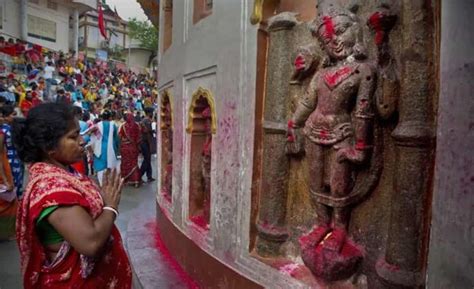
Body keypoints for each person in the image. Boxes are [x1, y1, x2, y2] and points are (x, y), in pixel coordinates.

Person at [13, 103, 131, 289]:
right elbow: (90, 243)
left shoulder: (66, 173)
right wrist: (110, 207)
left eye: (79, 134)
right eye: (73, 137)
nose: (82, 141)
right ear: (48, 147)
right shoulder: (52, 190)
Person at [89, 110, 120, 185]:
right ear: (110, 117)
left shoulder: (97, 125)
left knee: (101, 168)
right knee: (110, 166)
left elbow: (90, 134)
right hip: (111, 148)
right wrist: (117, 148)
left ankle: (101, 184)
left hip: (100, 149)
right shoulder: (113, 125)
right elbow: (116, 138)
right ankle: (109, 183)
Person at [0, 106, 17, 240]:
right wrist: (5, 180)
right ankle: (6, 233)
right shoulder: (3, 132)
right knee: (8, 200)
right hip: (5, 168)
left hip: (8, 163)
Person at [1, 105, 24, 198]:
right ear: (5, 117)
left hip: (17, 158)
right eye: (12, 115)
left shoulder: (12, 126)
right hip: (10, 160)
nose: (14, 116)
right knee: (14, 185)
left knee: (18, 183)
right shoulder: (4, 130)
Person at [119, 113, 142, 187]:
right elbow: (140, 137)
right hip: (134, 147)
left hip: (125, 147)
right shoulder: (137, 125)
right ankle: (136, 181)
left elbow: (119, 136)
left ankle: (126, 180)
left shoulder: (123, 126)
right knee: (134, 163)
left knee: (126, 163)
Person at [140, 107, 155, 182]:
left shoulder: (143, 120)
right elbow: (147, 132)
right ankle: (140, 175)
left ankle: (149, 176)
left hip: (144, 142)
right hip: (145, 142)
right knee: (147, 159)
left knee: (148, 159)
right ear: (149, 113)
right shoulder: (147, 121)